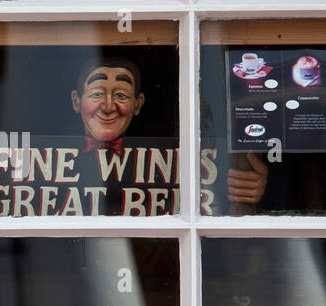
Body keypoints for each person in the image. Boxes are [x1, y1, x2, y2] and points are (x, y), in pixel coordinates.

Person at [72, 56, 268, 206]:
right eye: (97, 93)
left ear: (138, 104)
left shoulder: (163, 160)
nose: (108, 106)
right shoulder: (54, 159)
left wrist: (249, 187)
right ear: (76, 101)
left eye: (121, 95)